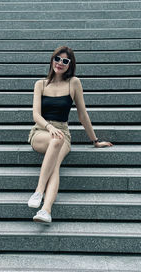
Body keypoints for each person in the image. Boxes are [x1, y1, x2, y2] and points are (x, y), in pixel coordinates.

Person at [27, 46, 113, 224]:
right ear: (52, 59)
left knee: (55, 156)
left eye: (65, 61)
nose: (60, 63)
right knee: (54, 143)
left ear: (70, 65)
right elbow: (36, 114)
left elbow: (82, 114)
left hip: (62, 133)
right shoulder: (40, 84)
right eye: (58, 59)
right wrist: (49, 127)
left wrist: (95, 141)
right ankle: (40, 194)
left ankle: (44, 208)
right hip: (41, 131)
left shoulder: (74, 83)